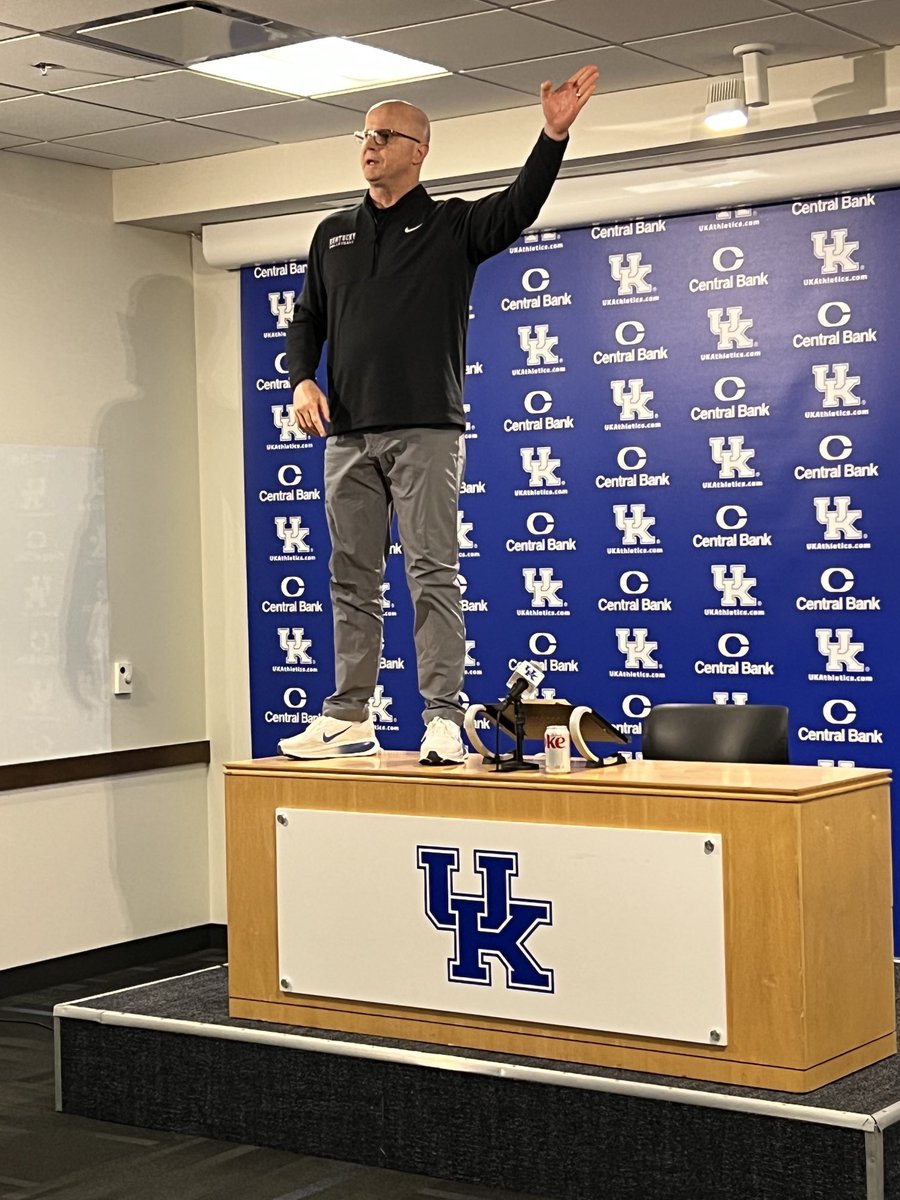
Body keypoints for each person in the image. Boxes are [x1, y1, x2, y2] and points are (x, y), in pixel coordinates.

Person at [278, 65, 599, 765]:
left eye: (385, 135)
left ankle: (443, 719)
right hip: (348, 435)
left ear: (419, 149)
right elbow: (307, 320)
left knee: (431, 574)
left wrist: (551, 137)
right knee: (350, 575)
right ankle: (349, 716)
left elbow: (517, 206)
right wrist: (303, 380)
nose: (370, 145)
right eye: (365, 133)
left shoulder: (451, 224)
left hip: (425, 427)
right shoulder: (333, 233)